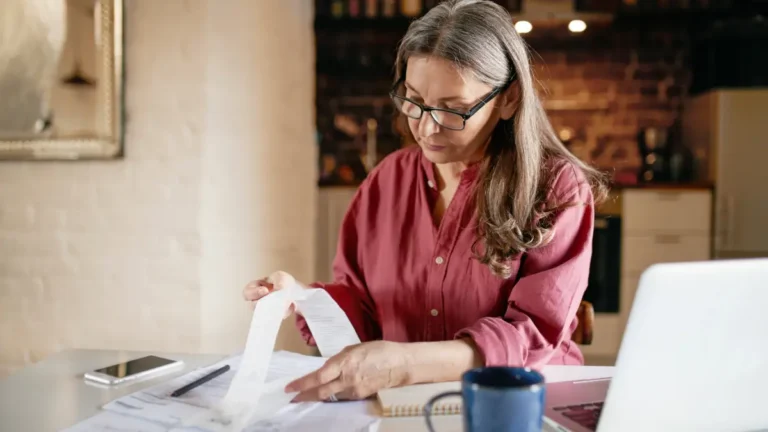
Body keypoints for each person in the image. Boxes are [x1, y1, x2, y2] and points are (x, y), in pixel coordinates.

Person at [242, 0, 607, 403]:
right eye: (413, 99)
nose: (427, 126)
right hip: (403, 406)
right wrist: (302, 298)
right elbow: (363, 305)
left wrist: (403, 365)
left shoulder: (555, 187)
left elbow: (531, 335)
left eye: (455, 110)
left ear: (509, 99)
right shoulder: (387, 181)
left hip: (517, 403)